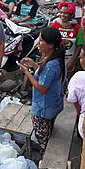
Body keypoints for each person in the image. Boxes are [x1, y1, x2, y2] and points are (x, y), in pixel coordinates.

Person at [19, 27, 65, 156]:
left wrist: (27, 73)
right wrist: (34, 65)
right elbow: (47, 76)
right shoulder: (55, 59)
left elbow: (42, 88)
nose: (38, 44)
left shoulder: (51, 65)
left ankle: (45, 159)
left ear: (50, 45)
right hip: (54, 104)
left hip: (44, 109)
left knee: (44, 140)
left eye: (41, 41)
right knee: (49, 132)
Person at [50, 2, 84, 74]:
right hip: (55, 59)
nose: (62, 15)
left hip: (69, 59)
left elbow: (79, 46)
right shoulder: (54, 25)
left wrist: (72, 61)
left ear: (71, 15)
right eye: (61, 12)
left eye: (65, 13)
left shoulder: (78, 28)